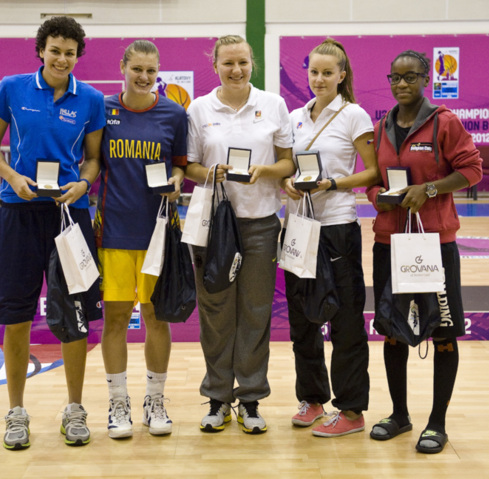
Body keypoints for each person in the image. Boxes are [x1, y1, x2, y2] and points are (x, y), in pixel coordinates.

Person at [0, 16, 105, 450]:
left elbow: (92, 160)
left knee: (74, 317)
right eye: (55, 50)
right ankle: (16, 413)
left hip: (69, 217)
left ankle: (74, 410)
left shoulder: (90, 99)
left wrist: (84, 185)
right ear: (41, 50)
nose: (62, 58)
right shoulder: (12, 88)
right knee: (16, 317)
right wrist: (13, 177)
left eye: (70, 52)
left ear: (77, 56)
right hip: (18, 214)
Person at [365, 50, 482, 454]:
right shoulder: (382, 126)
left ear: (425, 80)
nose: (401, 84)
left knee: (444, 333)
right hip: (389, 244)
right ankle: (399, 415)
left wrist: (429, 189)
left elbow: (472, 170)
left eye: (410, 77)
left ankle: (437, 423)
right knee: (392, 331)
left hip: (434, 244)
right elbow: (374, 180)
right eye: (395, 78)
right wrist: (378, 196)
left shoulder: (444, 123)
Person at [185, 35, 294, 434]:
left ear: (253, 64)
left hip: (262, 222)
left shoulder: (273, 105)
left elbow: (288, 162)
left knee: (254, 312)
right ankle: (217, 399)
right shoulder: (199, 108)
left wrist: (266, 172)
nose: (236, 70)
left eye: (243, 63)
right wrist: (208, 174)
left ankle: (250, 399)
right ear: (215, 65)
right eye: (228, 63)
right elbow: (190, 165)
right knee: (215, 315)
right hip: (213, 226)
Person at [281, 38, 381, 437]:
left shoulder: (354, 114)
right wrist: (289, 181)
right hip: (298, 227)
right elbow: (288, 164)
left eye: (327, 73)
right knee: (302, 319)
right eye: (314, 72)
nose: (319, 79)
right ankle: (312, 399)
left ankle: (352, 410)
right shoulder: (295, 116)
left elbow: (372, 172)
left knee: (345, 319)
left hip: (337, 227)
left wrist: (332, 184)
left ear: (342, 75)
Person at [94, 40, 187, 439]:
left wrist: (177, 182)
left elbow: (182, 167)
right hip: (113, 232)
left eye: (151, 71)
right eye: (137, 70)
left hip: (159, 235)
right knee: (115, 319)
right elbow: (93, 162)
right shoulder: (103, 110)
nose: (145, 78)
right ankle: (118, 404)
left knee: (155, 317)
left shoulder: (174, 113)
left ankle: (155, 401)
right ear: (123, 67)